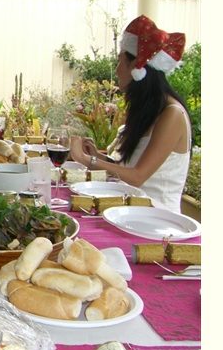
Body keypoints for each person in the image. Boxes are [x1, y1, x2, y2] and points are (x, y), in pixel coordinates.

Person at [69, 15, 191, 212]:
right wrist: (98, 157)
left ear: (136, 68)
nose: (117, 70)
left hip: (158, 217)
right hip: (132, 210)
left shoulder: (172, 114)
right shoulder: (149, 109)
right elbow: (130, 168)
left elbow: (137, 177)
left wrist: (85, 160)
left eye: (120, 61)